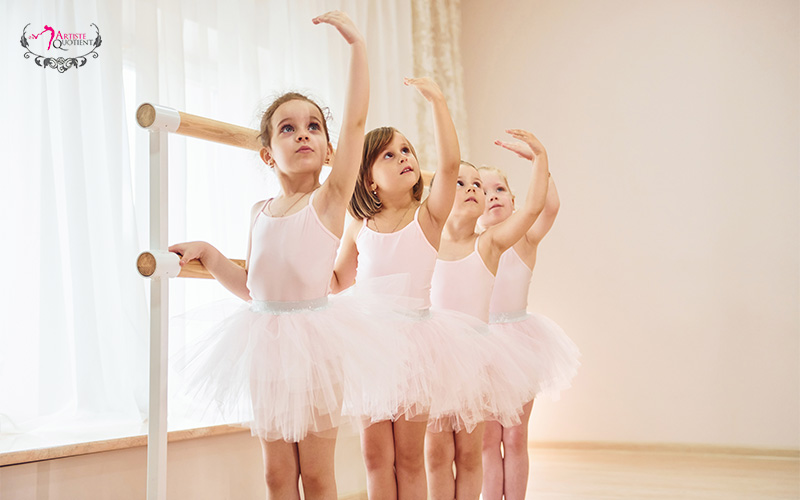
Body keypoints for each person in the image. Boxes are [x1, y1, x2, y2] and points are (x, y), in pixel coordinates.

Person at [168, 11, 371, 499]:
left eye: (314, 127)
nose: (303, 134)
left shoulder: (327, 200)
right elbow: (253, 290)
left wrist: (358, 48)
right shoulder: (259, 210)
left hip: (317, 348)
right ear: (267, 153)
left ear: (327, 150)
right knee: (277, 475)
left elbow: (358, 122)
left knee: (317, 475)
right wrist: (213, 255)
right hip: (265, 348)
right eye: (287, 128)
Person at [332, 77, 489, 500]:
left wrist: (438, 100)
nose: (403, 157)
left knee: (408, 459)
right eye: (389, 154)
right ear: (368, 180)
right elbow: (334, 281)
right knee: (375, 459)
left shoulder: (429, 217)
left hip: (415, 350)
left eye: (407, 150)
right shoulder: (358, 226)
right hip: (369, 349)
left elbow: (452, 165)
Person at [425, 129, 550, 500]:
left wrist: (540, 157)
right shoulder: (427, 240)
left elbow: (532, 209)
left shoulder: (490, 243)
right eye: (459, 182)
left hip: (474, 360)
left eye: (477, 184)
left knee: (470, 451)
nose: (472, 189)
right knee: (435, 453)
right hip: (435, 357)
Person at [478, 135, 580, 500]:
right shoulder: (473, 244)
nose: (492, 195)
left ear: (515, 202)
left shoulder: (525, 240)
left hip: (520, 344)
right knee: (488, 439)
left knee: (516, 436)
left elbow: (549, 207)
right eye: (483, 189)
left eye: (500, 189)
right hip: (482, 348)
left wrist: (539, 161)